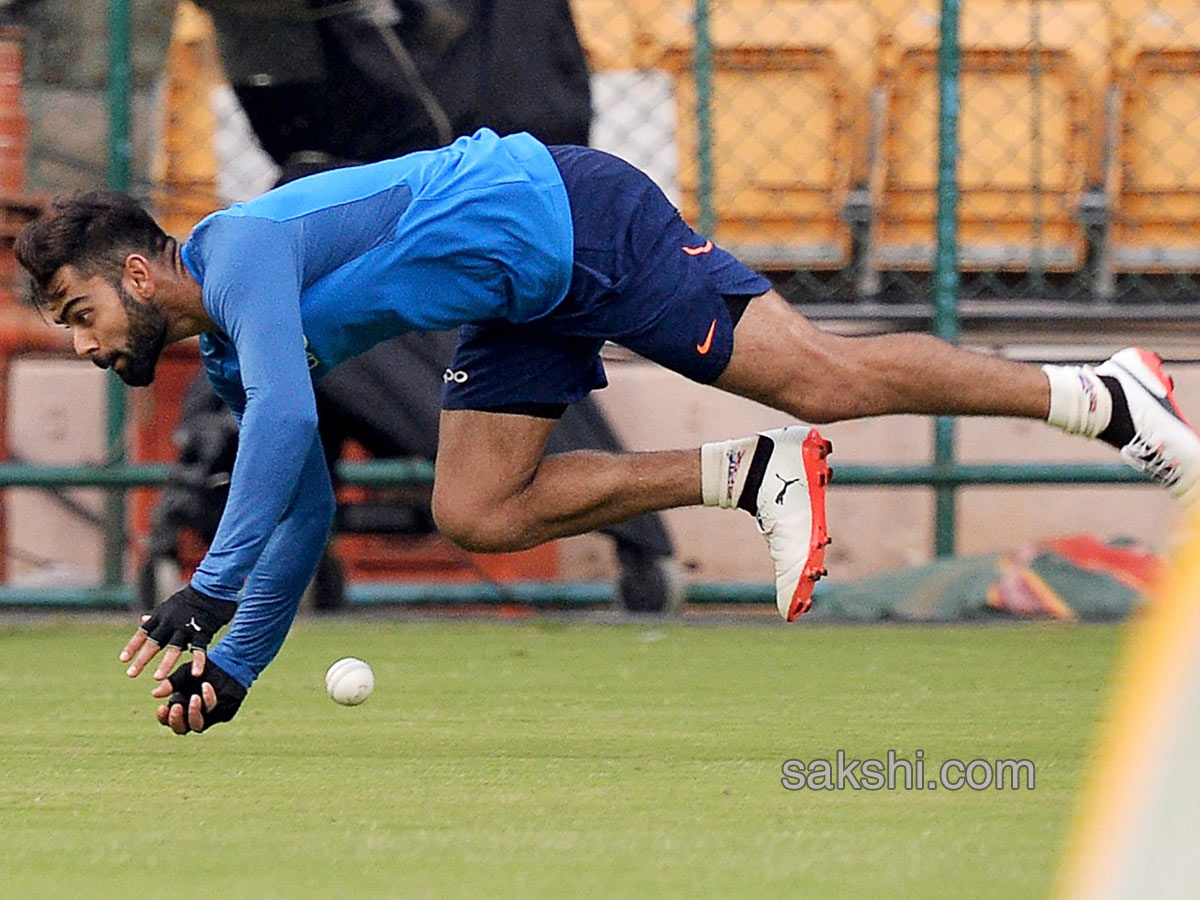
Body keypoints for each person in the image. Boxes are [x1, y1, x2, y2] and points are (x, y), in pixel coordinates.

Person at [15, 128, 1199, 735]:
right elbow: (304, 493)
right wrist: (233, 665)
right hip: (516, 291)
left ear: (134, 268)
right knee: (476, 508)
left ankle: (1101, 393)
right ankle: (745, 475)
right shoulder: (227, 338)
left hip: (574, 217)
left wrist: (211, 585)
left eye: (78, 313)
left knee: (823, 382)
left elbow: (280, 424)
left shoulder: (236, 251)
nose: (80, 341)